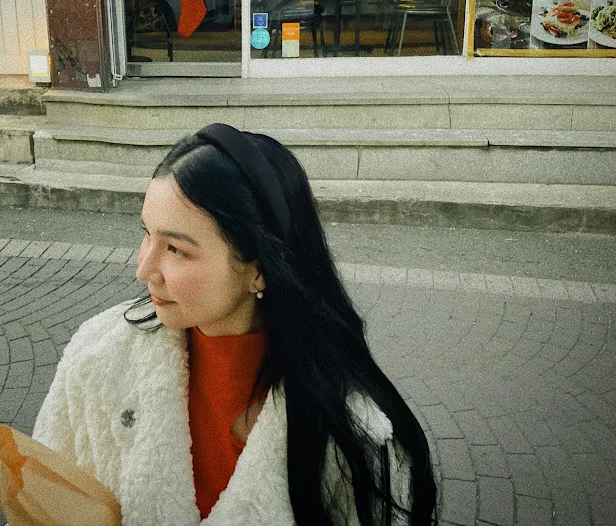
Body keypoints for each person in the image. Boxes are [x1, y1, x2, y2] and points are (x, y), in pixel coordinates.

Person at [33, 124, 437, 526]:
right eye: (146, 235)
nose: (144, 270)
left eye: (176, 249)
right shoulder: (97, 358)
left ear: (258, 269)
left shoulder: (349, 435)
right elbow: (42, 496)